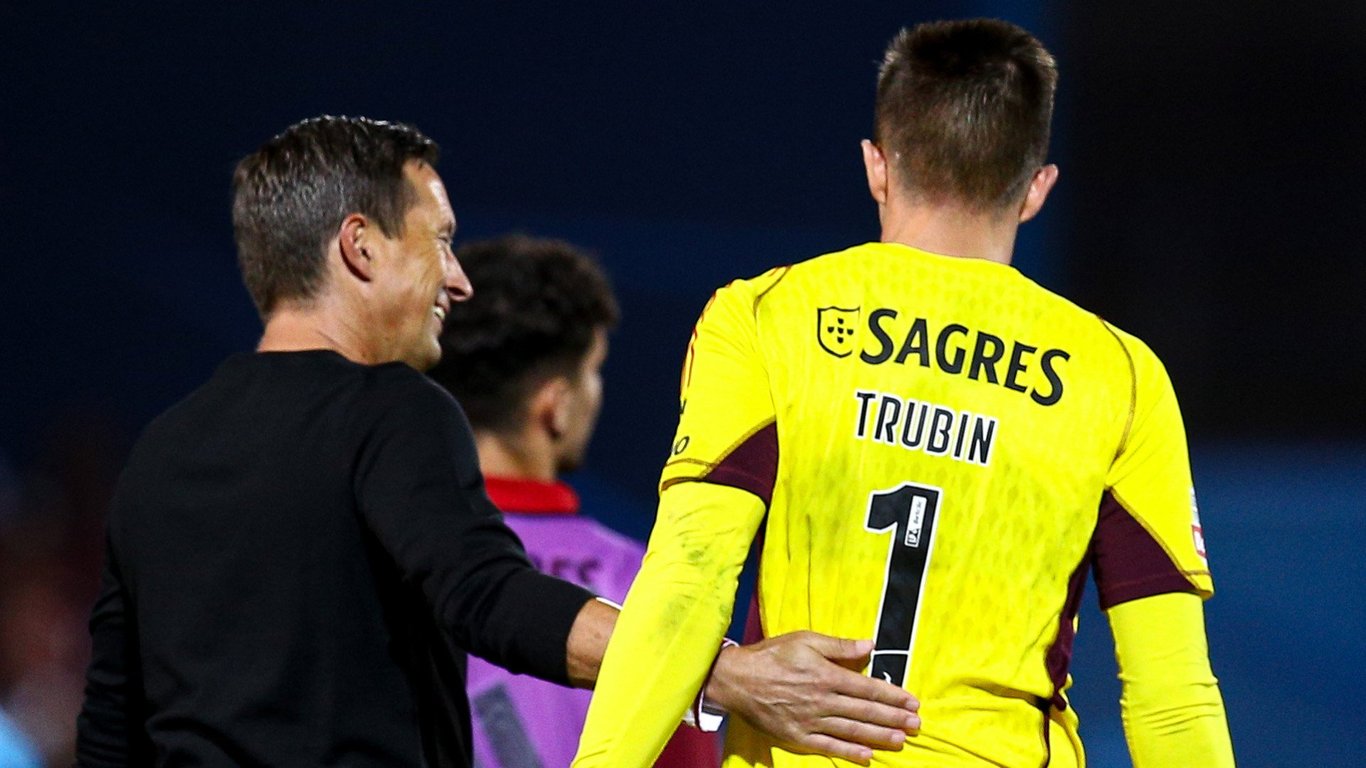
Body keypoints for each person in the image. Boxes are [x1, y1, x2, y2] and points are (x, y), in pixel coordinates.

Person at [75, 116, 919, 768]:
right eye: (439, 241)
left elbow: (111, 725)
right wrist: (730, 675)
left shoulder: (159, 452)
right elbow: (490, 597)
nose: (459, 279)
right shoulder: (393, 409)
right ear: (360, 247)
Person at [573, 19, 1236, 768]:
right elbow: (1172, 696)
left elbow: (688, 581)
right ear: (1036, 189)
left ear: (877, 167)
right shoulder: (1120, 376)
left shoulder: (765, 317)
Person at [427, 235, 719, 768]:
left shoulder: (398, 557)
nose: (596, 391)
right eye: (593, 369)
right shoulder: (641, 580)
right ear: (555, 405)